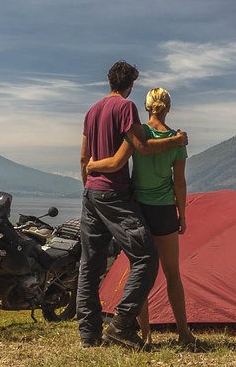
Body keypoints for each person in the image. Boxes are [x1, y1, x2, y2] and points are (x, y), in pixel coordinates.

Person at [77, 61, 188, 350]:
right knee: (146, 257)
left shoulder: (91, 111)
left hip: (91, 194)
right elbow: (141, 147)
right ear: (130, 85)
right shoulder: (125, 108)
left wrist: (88, 187)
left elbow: (83, 157)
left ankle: (89, 336)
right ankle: (121, 325)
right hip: (114, 194)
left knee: (89, 264)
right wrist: (175, 139)